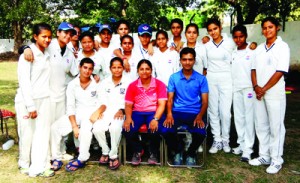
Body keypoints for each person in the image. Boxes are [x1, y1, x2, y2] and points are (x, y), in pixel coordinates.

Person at [21, 21, 78, 166]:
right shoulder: (48, 46)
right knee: (45, 128)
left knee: (58, 126)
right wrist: (25, 48)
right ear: (58, 33)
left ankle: (59, 152)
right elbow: (32, 46)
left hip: (61, 95)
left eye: (70, 34)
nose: (67, 35)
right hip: (46, 96)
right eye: (64, 32)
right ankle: (44, 157)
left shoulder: (70, 53)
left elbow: (75, 73)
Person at [249, 17, 290, 174]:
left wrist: (264, 88)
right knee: (261, 124)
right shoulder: (259, 48)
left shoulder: (282, 47)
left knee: (276, 126)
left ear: (277, 28)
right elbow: (253, 70)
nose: (267, 30)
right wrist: (256, 87)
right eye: (265, 28)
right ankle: (264, 155)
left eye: (270, 27)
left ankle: (276, 159)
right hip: (259, 92)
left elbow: (280, 71)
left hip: (274, 92)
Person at [50, 58, 106, 172]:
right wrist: (74, 126)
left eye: (90, 69)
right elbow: (70, 107)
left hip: (91, 113)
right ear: (80, 67)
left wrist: (97, 112)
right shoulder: (72, 84)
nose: (87, 71)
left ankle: (82, 159)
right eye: (85, 68)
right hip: (76, 113)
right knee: (55, 127)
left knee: (85, 131)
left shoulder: (97, 83)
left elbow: (104, 103)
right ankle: (56, 157)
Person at [15, 23, 54, 177]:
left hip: (44, 99)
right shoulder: (27, 55)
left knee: (42, 133)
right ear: (35, 36)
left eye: (50, 37)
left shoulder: (47, 52)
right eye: (44, 36)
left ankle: (42, 164)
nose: (47, 39)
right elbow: (23, 82)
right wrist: (30, 105)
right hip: (27, 101)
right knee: (27, 133)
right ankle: (24, 163)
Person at [163, 47, 209, 166]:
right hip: (177, 111)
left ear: (194, 61)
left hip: (195, 113)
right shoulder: (174, 77)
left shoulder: (201, 79)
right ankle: (178, 150)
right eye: (184, 59)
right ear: (180, 61)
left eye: (190, 59)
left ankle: (191, 152)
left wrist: (199, 116)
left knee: (200, 132)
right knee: (165, 129)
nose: (187, 62)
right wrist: (169, 114)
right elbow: (170, 98)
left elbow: (205, 102)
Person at [123, 59, 167, 165]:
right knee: (127, 129)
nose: (144, 71)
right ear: (137, 71)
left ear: (151, 70)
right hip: (137, 112)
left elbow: (162, 104)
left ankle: (153, 152)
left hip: (153, 111)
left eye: (147, 69)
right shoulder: (132, 85)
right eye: (141, 69)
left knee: (155, 129)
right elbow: (128, 105)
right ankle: (138, 150)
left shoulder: (159, 84)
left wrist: (156, 119)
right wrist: (128, 118)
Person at [92, 57, 131, 170]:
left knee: (115, 128)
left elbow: (130, 101)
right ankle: (105, 151)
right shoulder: (105, 82)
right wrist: (100, 111)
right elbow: (102, 100)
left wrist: (122, 110)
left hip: (121, 111)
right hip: (107, 111)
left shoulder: (128, 82)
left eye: (119, 67)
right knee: (97, 128)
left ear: (123, 68)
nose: (117, 70)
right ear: (110, 69)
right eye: (114, 67)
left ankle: (113, 155)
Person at [204, 18, 236, 154]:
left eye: (215, 29)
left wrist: (252, 44)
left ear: (220, 27)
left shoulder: (230, 43)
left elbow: (243, 48)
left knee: (225, 112)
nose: (213, 32)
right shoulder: (207, 45)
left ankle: (225, 140)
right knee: (213, 110)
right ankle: (216, 140)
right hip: (211, 78)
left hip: (226, 78)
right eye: (210, 30)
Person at [231, 25, 255, 162]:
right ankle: (241, 144)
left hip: (249, 88)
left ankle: (248, 149)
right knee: (238, 118)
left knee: (249, 118)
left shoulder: (252, 51)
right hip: (237, 88)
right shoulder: (233, 52)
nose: (238, 39)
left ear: (246, 36)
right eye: (236, 37)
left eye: (241, 36)